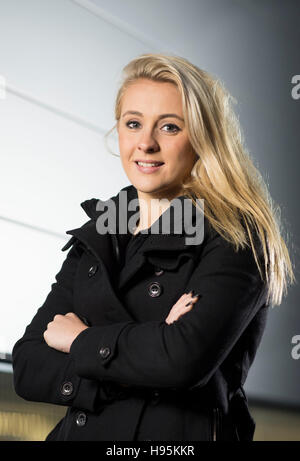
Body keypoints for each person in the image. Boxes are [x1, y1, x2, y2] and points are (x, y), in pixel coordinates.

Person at [12, 53, 295, 441]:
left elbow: (181, 362)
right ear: (119, 132)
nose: (146, 143)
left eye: (169, 127)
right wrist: (150, 344)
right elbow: (28, 364)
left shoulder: (237, 235)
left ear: (202, 137)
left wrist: (80, 340)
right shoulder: (99, 233)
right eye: (133, 124)